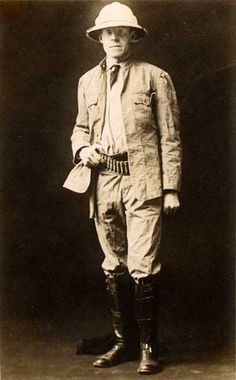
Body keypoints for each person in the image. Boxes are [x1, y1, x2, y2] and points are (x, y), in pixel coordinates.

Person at [64, 1, 182, 375]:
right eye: (107, 33)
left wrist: (171, 188)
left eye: (121, 31)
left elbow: (170, 137)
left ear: (132, 36)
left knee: (142, 265)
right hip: (104, 182)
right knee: (114, 265)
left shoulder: (154, 77)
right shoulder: (87, 82)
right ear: (99, 38)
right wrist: (84, 148)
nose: (114, 38)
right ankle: (123, 342)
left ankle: (148, 348)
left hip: (143, 180)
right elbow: (80, 128)